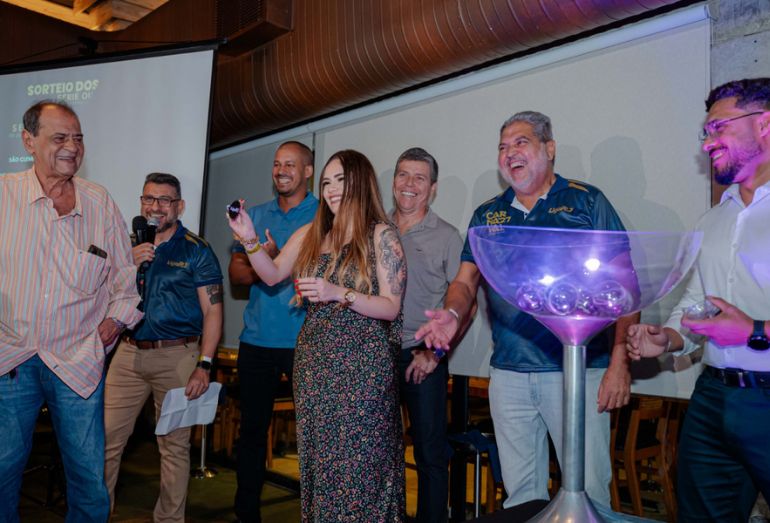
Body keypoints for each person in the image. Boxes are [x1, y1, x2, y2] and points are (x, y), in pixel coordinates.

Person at [416, 111, 634, 509]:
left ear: (549, 149)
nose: (509, 152)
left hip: (576, 370)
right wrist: (450, 312)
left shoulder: (586, 201)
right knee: (521, 498)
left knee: (587, 495)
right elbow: (465, 282)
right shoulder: (488, 215)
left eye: (520, 143)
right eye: (502, 146)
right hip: (509, 375)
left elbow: (626, 284)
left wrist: (620, 362)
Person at [227, 149, 406, 521]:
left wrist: (337, 293)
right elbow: (272, 274)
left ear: (361, 182)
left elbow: (391, 306)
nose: (332, 189)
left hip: (362, 370)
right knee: (321, 465)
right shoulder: (313, 232)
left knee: (360, 466)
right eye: (326, 182)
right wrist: (248, 240)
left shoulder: (382, 234)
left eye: (341, 180)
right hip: (315, 365)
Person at [626, 78, 770, 522]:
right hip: (713, 398)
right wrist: (666, 337)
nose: (708, 143)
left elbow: (743, 325)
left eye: (718, 128)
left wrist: (754, 332)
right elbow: (698, 302)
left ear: (764, 124)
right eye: (705, 133)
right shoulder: (713, 219)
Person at [0, 100, 142, 522]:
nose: (72, 147)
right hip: (13, 359)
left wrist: (115, 322)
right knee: (3, 468)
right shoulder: (4, 196)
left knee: (87, 477)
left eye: (77, 138)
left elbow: (124, 277)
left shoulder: (99, 202)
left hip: (78, 361)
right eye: (59, 137)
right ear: (29, 141)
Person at [103, 172, 224, 522]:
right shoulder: (127, 245)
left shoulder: (196, 250)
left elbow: (213, 310)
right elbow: (105, 296)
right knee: (106, 441)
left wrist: (204, 364)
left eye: (164, 200)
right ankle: (97, 513)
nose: (155, 207)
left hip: (178, 356)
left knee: (173, 448)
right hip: (127, 353)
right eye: (148, 199)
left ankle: (169, 520)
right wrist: (129, 262)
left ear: (179, 206)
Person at [229, 141, 318, 523]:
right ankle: (245, 514)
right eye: (277, 164)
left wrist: (277, 259)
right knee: (251, 433)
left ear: (308, 171)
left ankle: (318, 512)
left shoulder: (323, 213)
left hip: (308, 343)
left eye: (291, 164)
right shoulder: (255, 214)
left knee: (314, 436)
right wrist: (265, 260)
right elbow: (236, 274)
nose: (282, 170)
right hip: (257, 342)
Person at [390, 147, 462, 523]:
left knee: (430, 454)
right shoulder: (375, 229)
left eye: (419, 178)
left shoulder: (448, 237)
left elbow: (465, 303)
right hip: (374, 353)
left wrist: (434, 353)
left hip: (423, 356)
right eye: (403, 175)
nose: (409, 184)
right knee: (378, 453)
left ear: (432, 189)